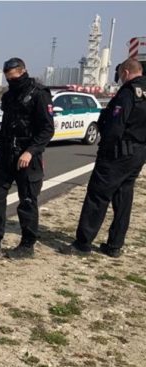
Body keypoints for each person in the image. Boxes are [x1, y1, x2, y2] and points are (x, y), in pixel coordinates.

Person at [61, 58, 146, 258]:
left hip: (118, 152)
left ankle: (83, 243)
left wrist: (105, 148)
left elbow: (115, 126)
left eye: (119, 74)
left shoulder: (128, 93)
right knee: (123, 197)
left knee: (97, 195)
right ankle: (115, 245)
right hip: (139, 152)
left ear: (126, 71)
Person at [0, 57, 55, 259]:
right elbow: (6, 125)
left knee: (27, 200)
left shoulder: (39, 94)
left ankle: (27, 245)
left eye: (14, 76)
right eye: (7, 77)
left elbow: (47, 129)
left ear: (23, 71)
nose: (11, 80)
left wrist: (31, 151)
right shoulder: (8, 96)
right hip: (6, 154)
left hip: (27, 156)